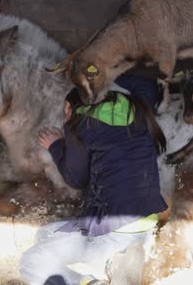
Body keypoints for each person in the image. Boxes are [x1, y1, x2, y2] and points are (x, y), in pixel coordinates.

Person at [19, 74, 168, 285]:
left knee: (31, 263)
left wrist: (56, 145)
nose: (65, 117)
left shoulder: (80, 122)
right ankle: (117, 264)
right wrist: (101, 74)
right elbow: (146, 81)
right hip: (144, 224)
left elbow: (75, 178)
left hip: (112, 228)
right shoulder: (137, 105)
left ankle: (93, 281)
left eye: (65, 111)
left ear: (71, 107)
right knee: (45, 234)